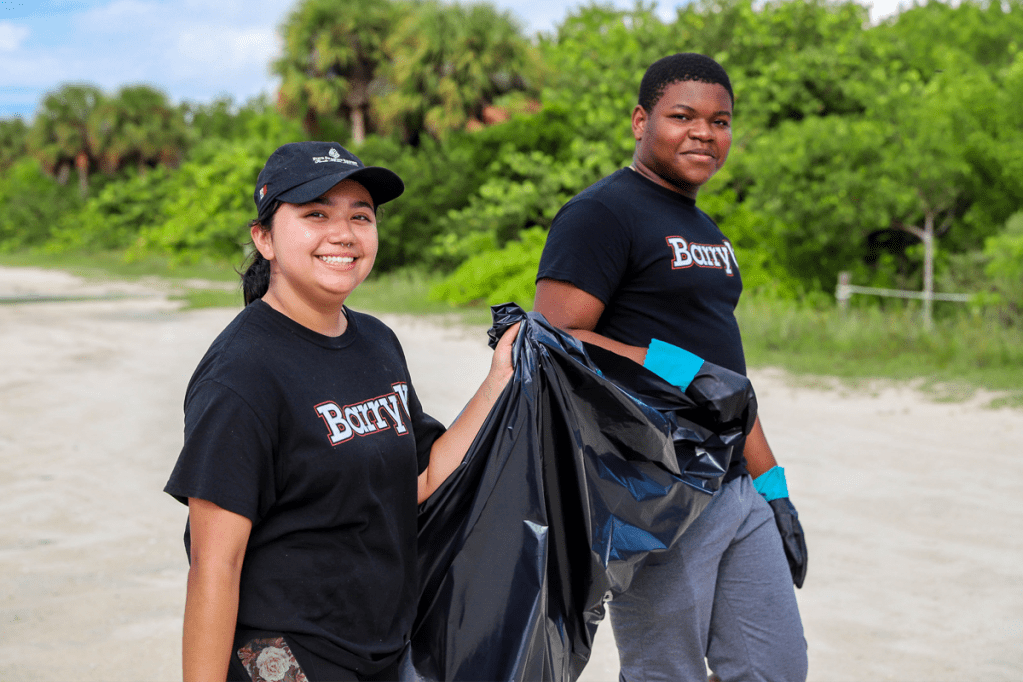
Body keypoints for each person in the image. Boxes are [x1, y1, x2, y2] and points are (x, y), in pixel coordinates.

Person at [164, 141, 518, 682]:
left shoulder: (376, 341)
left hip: (381, 648)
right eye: (316, 214)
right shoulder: (242, 374)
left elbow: (420, 478)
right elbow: (216, 566)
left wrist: (499, 380)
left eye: (360, 216)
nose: (344, 234)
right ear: (264, 239)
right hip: (284, 656)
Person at [533, 53, 808, 681]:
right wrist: (674, 364)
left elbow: (727, 385)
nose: (704, 133)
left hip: (736, 487)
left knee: (775, 668)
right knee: (666, 673)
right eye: (683, 116)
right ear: (641, 121)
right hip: (658, 493)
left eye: (720, 121)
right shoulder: (601, 213)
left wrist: (775, 491)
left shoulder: (706, 229)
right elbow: (550, 340)